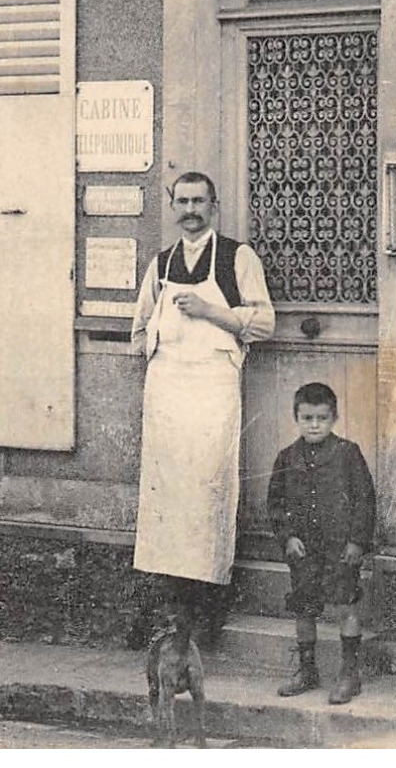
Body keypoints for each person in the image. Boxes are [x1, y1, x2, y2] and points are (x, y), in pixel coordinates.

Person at [131, 172, 275, 627]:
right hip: (168, 393)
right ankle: (167, 605)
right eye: (183, 201)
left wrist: (211, 312)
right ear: (172, 206)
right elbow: (137, 331)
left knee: (209, 486)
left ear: (214, 206)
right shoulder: (161, 263)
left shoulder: (238, 258)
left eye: (199, 201)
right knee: (166, 493)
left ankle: (208, 602)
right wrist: (157, 345)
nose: (190, 210)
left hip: (212, 391)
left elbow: (265, 324)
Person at [265, 382, 375, 705]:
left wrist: (357, 541)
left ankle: (350, 673)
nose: (314, 425)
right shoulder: (287, 457)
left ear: (334, 418)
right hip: (304, 551)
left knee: (346, 605)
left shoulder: (348, 454)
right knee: (304, 608)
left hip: (340, 550)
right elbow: (275, 502)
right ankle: (307, 669)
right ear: (296, 418)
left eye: (322, 418)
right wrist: (288, 537)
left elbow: (364, 500)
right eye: (307, 418)